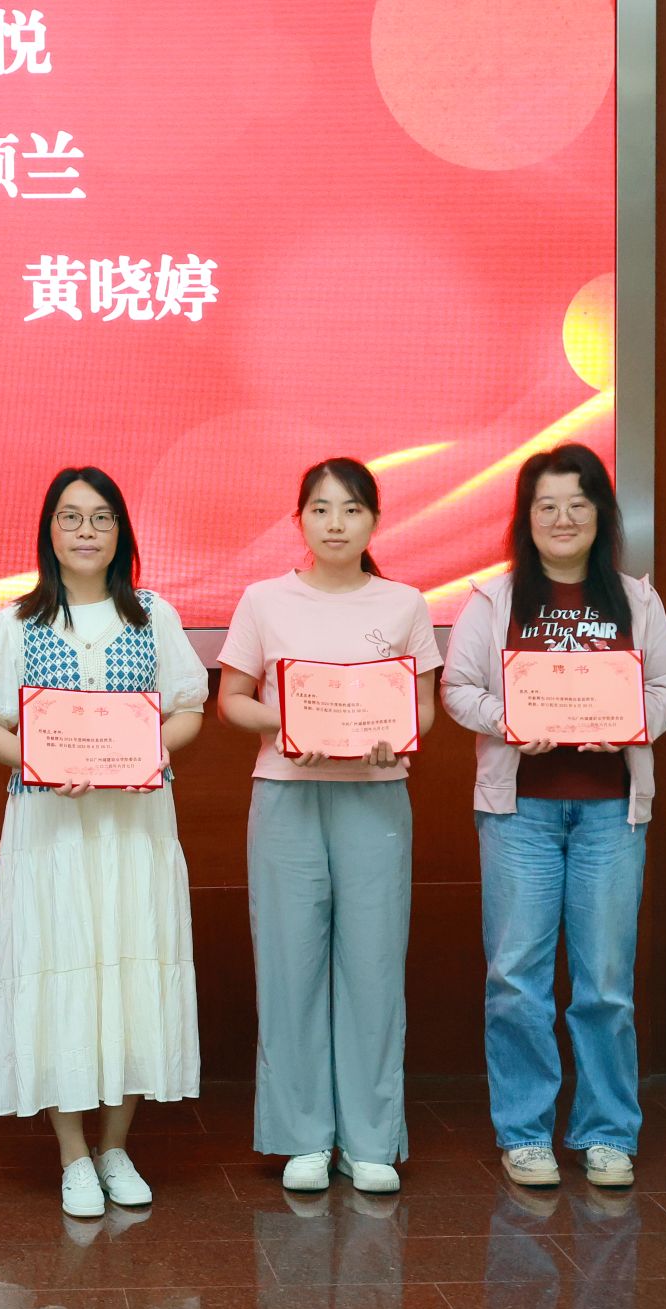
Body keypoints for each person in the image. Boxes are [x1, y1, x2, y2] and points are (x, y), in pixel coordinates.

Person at [0, 466, 208, 1218]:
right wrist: (41, 758)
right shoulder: (13, 622)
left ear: (121, 532)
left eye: (101, 518)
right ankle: (72, 1153)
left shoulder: (153, 615)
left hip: (134, 830)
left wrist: (148, 752)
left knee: (132, 974)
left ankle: (116, 1147)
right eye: (70, 517)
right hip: (52, 832)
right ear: (49, 531)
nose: (86, 531)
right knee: (59, 972)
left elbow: (189, 707)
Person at [440, 444, 666, 1189]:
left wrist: (628, 724)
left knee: (605, 980)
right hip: (520, 814)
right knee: (516, 977)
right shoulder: (494, 601)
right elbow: (458, 688)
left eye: (578, 503)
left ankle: (607, 1131)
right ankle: (525, 1133)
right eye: (546, 505)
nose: (562, 518)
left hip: (613, 813)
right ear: (526, 517)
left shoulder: (636, 600)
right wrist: (510, 720)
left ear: (601, 514)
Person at [216, 457, 440, 1195]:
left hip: (375, 797)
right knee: (290, 966)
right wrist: (284, 723)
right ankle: (303, 1137)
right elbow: (232, 699)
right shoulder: (264, 599)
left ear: (374, 520)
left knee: (374, 967)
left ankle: (371, 1140)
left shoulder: (404, 603)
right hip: (287, 795)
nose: (335, 523)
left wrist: (395, 736)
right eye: (320, 509)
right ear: (300, 520)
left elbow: (423, 709)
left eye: (350, 509)